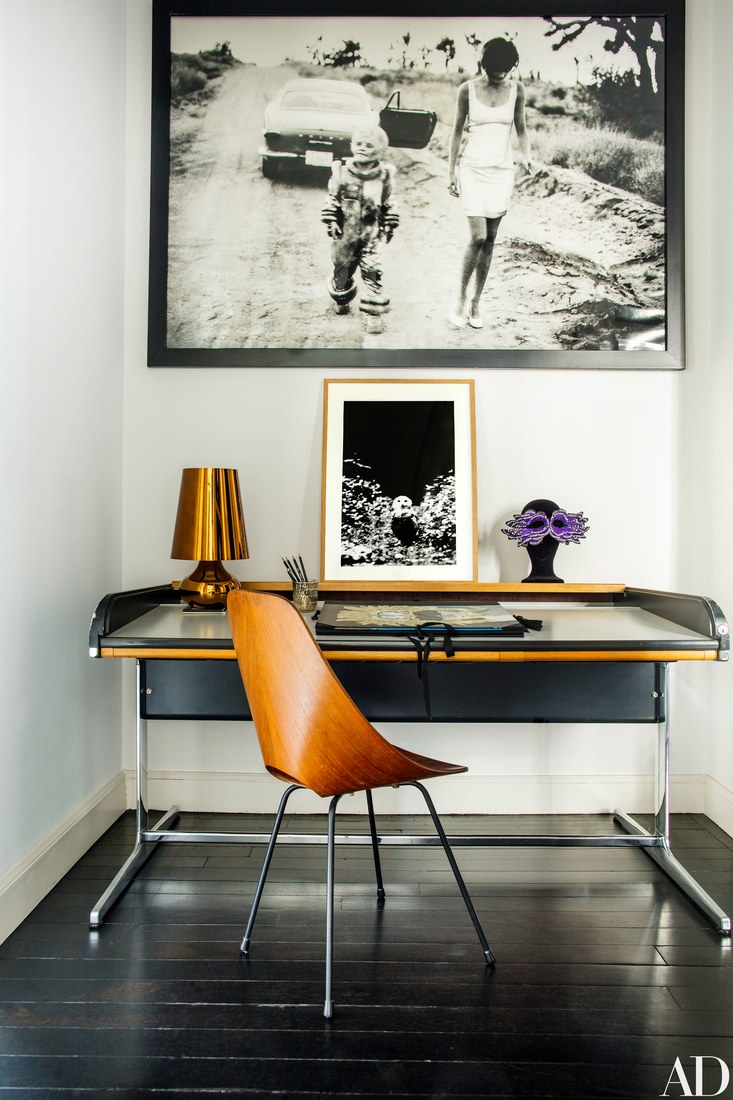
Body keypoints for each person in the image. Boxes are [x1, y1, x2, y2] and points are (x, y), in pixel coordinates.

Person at [447, 37, 533, 330]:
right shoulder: (466, 90)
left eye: (506, 70)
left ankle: (475, 302)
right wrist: (451, 172)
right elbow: (456, 133)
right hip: (472, 169)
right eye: (495, 69)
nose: (500, 75)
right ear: (483, 64)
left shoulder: (517, 90)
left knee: (491, 239)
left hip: (501, 171)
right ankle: (458, 299)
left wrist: (527, 157)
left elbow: (521, 128)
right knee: (478, 236)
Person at [321, 126, 399, 335]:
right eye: (359, 144)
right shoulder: (342, 173)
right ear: (352, 147)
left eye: (369, 145)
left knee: (372, 270)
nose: (363, 148)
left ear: (382, 150)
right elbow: (332, 198)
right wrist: (332, 220)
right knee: (342, 270)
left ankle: (373, 315)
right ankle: (342, 297)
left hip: (371, 233)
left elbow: (389, 201)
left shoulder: (384, 176)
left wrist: (390, 222)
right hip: (346, 233)